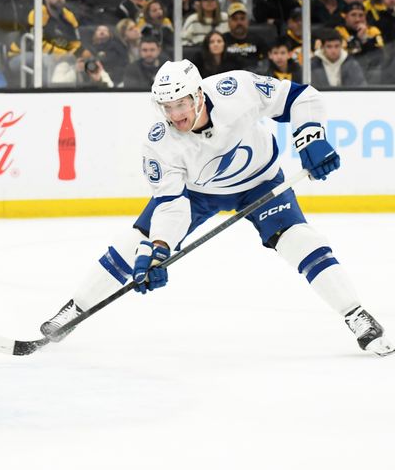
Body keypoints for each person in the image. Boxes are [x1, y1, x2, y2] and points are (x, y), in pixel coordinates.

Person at [39, 59, 393, 357]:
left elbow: (302, 98)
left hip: (262, 184)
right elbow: (171, 205)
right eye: (167, 107)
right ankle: (74, 310)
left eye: (181, 104)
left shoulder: (235, 88)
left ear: (198, 95)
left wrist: (311, 136)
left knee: (300, 240)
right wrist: (159, 249)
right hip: (196, 195)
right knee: (134, 245)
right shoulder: (160, 142)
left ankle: (356, 314)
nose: (175, 115)